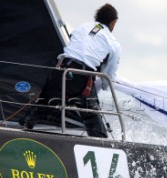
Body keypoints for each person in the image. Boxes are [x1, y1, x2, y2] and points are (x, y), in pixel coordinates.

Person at [20, 3, 121, 138]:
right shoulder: (113, 43)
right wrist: (104, 85)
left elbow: (76, 45)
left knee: (41, 107)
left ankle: (22, 132)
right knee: (92, 118)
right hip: (83, 79)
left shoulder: (82, 27)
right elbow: (108, 76)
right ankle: (102, 144)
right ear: (113, 22)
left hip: (61, 71)